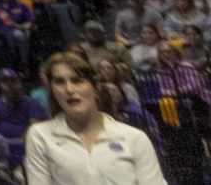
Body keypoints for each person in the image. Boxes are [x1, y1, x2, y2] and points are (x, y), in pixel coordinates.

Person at [26, 51, 166, 185]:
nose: (69, 89)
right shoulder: (40, 136)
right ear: (52, 91)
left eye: (77, 80)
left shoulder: (134, 138)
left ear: (95, 87)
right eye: (59, 82)